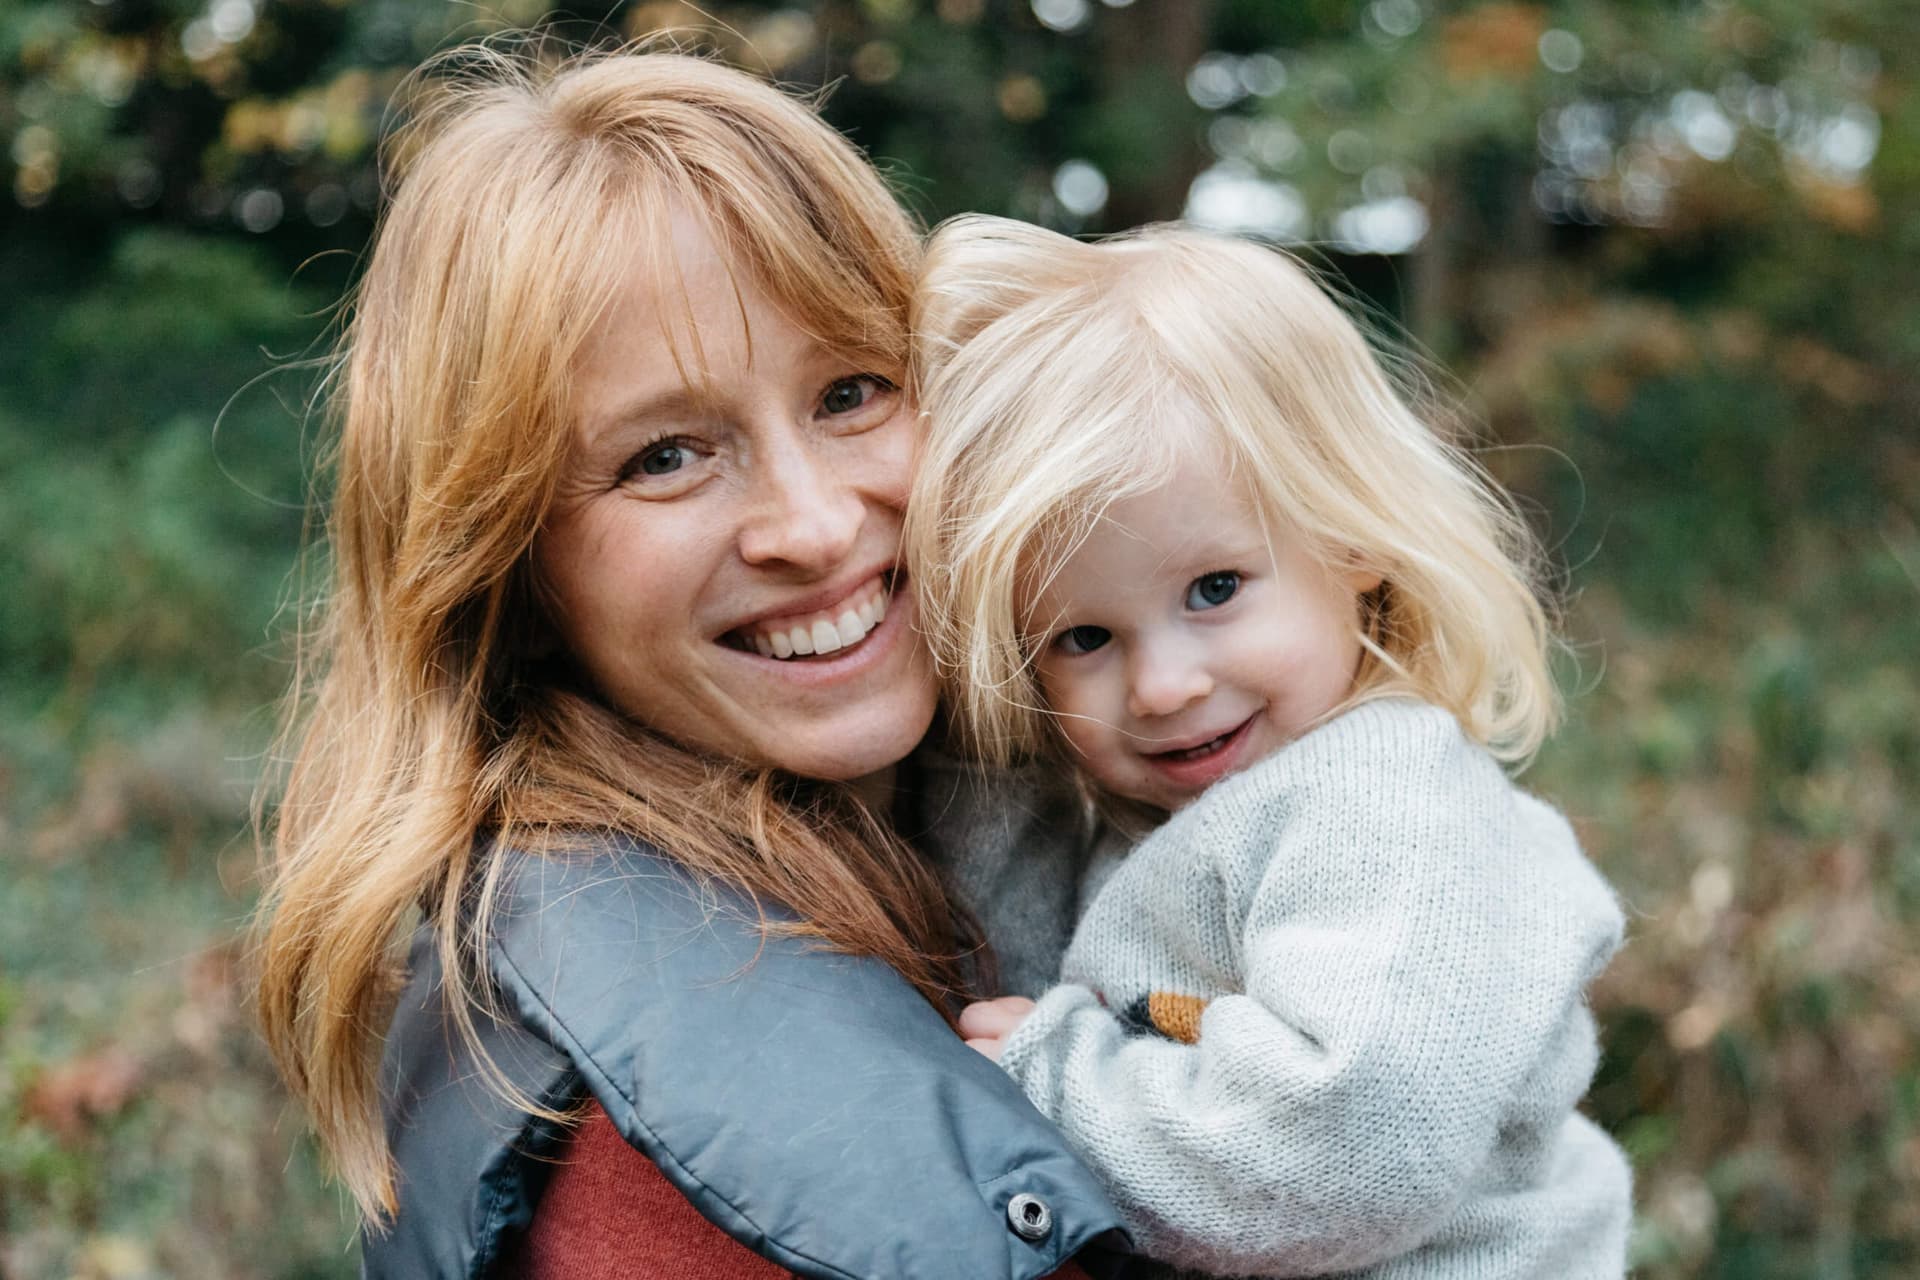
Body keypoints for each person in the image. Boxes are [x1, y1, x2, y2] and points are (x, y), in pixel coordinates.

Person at [251, 49, 1127, 1279]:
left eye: (854, 390)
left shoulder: (998, 818)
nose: (816, 524)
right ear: (510, 568)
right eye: (665, 455)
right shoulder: (656, 1164)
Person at [905, 216, 1633, 1277]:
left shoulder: (1389, 804)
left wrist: (1051, 1077)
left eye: (1214, 589)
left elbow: (1348, 1149)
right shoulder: (1160, 809)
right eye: (1084, 635)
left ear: (1351, 538)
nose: (1162, 684)